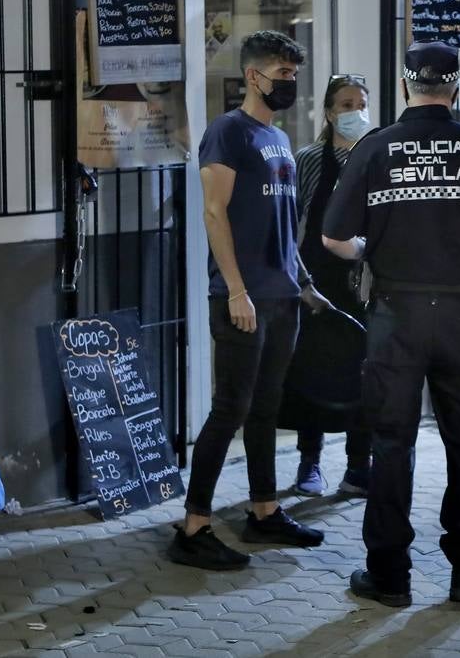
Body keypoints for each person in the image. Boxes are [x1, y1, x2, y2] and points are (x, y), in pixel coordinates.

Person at [322, 41, 460, 608]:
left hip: (396, 315)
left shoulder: (376, 148)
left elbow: (333, 238)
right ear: (455, 88)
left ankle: (389, 576)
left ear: (404, 87)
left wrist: (370, 249)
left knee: (392, 443)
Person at [168, 30, 333, 571]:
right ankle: (193, 527)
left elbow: (284, 228)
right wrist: (236, 289)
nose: (289, 82)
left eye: (293, 74)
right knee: (229, 410)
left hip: (283, 296)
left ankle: (264, 512)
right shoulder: (228, 133)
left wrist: (304, 282)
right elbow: (214, 213)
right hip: (242, 298)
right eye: (281, 74)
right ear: (252, 76)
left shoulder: (280, 141)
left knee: (266, 408)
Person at [291, 74, 375, 497]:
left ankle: (359, 467)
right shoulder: (307, 159)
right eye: (345, 104)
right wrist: (300, 279)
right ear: (328, 112)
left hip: (363, 279)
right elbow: (295, 220)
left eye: (361, 103)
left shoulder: (380, 157)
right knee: (313, 370)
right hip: (319, 279)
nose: (355, 112)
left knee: (363, 372)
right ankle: (310, 462)